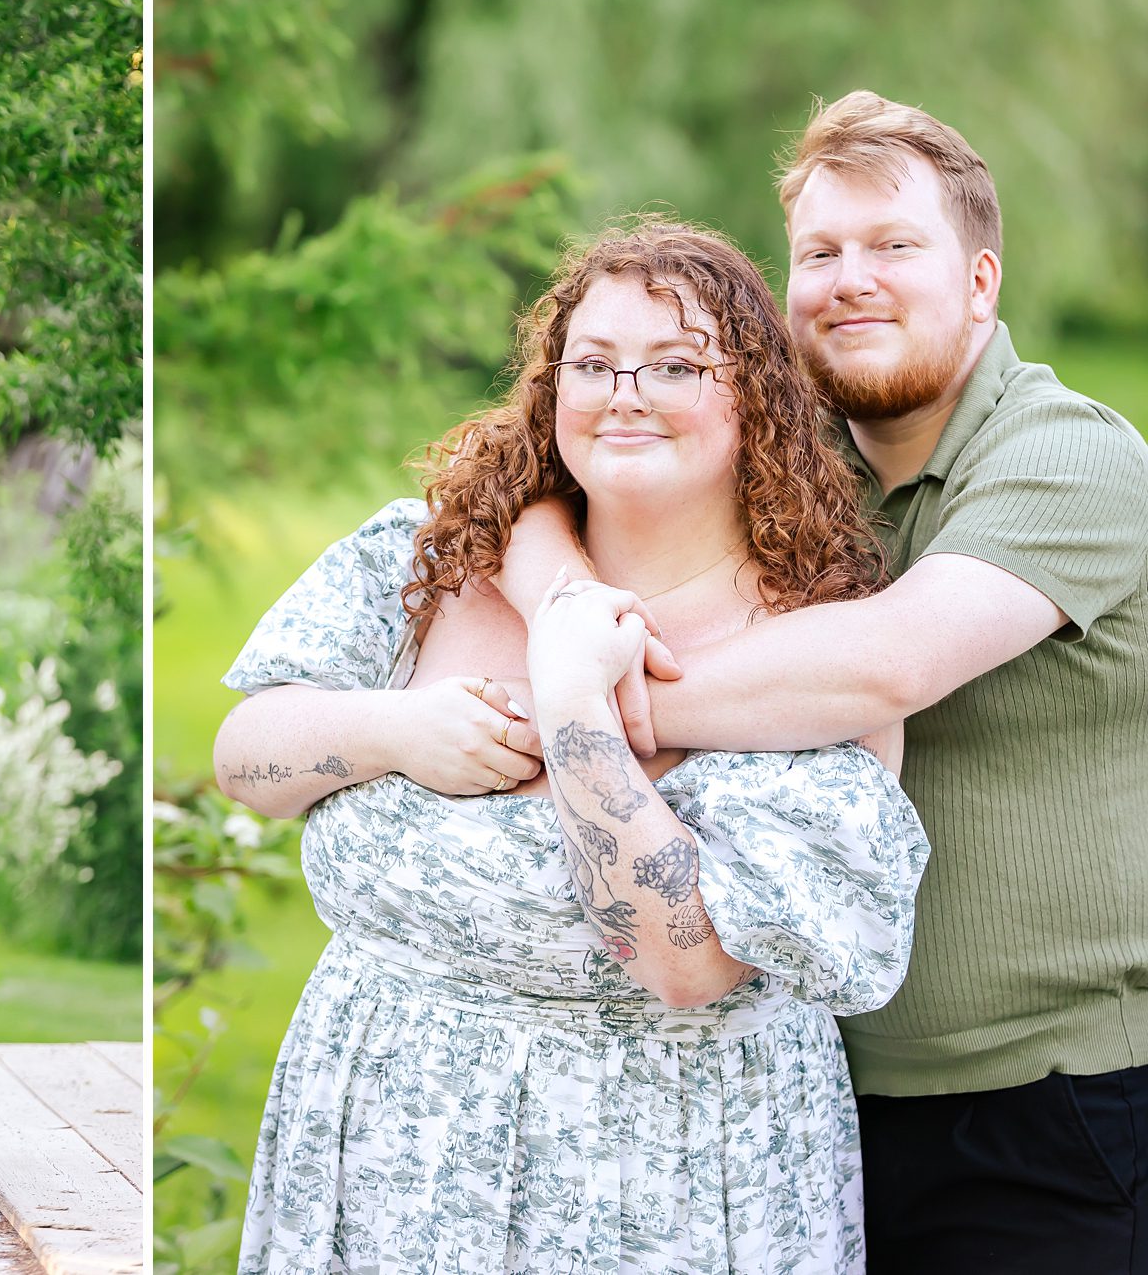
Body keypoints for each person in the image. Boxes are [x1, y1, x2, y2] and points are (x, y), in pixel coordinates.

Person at [484, 93, 1148, 1273]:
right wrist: (557, 610)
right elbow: (544, 480)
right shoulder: (801, 467)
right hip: (821, 1095)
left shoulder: (1070, 457)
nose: (851, 279)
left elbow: (881, 663)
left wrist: (574, 706)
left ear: (981, 279)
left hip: (1053, 1106)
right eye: (819, 253)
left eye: (893, 246)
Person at [218, 222, 930, 1273]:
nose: (623, 391)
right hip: (383, 1140)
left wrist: (572, 703)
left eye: (675, 365)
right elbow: (244, 760)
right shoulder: (428, 556)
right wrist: (395, 729)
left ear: (758, 404)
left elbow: (682, 959)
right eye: (590, 363)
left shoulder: (817, 649)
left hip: (660, 1175)